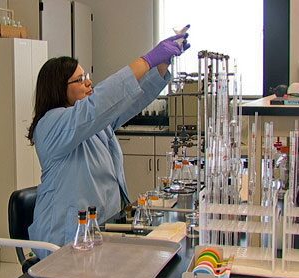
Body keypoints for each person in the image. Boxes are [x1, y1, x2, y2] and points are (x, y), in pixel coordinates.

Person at [27, 33, 190, 259]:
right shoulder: (51, 125)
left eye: (87, 76)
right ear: (58, 88)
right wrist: (147, 60)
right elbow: (100, 103)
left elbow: (128, 101)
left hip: (98, 231)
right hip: (65, 239)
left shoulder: (92, 123)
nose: (88, 82)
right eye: (79, 79)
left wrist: (161, 67)